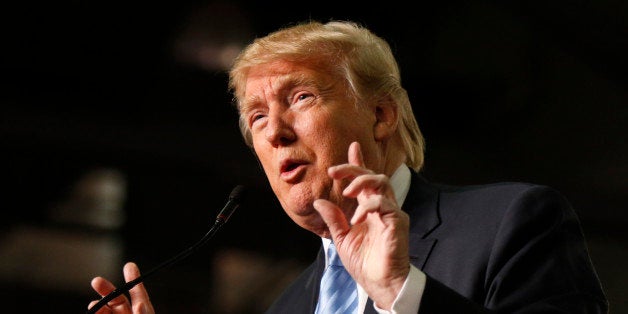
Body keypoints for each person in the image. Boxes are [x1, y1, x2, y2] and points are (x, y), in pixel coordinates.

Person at [88, 20, 608, 313]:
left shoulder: (509, 225)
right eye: (258, 116)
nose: (274, 131)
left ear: (381, 116)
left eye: (303, 97)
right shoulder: (288, 307)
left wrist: (402, 293)